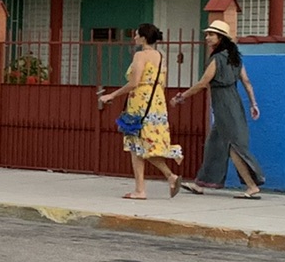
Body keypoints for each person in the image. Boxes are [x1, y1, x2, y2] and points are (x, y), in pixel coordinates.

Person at [172, 14, 266, 197]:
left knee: (233, 146)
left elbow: (202, 83)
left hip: (224, 105)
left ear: (220, 38)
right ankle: (201, 184)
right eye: (207, 34)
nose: (207, 37)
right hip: (233, 102)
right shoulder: (235, 58)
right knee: (214, 144)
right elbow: (246, 82)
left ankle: (251, 185)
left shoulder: (217, 59)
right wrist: (253, 103)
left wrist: (181, 97)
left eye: (211, 35)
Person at [97, 22, 185, 199]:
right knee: (147, 143)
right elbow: (162, 81)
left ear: (144, 37)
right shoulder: (161, 55)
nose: (135, 37)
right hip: (157, 103)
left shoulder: (140, 55)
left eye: (137, 34)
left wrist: (111, 95)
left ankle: (141, 189)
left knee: (137, 144)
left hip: (140, 102)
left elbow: (134, 82)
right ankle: (169, 177)